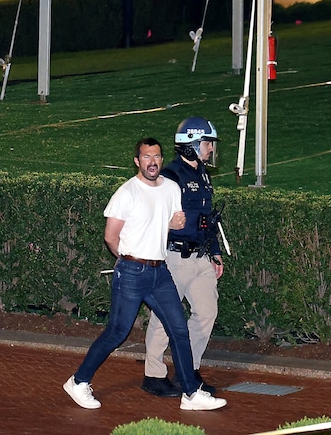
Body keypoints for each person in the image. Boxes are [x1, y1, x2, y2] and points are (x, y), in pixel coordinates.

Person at [62, 137, 226, 411]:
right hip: (133, 271)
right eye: (147, 157)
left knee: (178, 330)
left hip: (160, 272)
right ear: (138, 161)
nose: (152, 162)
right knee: (117, 332)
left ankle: (190, 393)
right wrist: (127, 260)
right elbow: (111, 237)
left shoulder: (172, 189)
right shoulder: (126, 193)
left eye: (157, 157)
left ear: (162, 160)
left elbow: (170, 223)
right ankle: (78, 382)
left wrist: (173, 225)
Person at [141, 116, 224, 398]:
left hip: (200, 257)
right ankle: (153, 375)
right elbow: (152, 215)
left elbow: (207, 218)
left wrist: (215, 252)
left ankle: (188, 369)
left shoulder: (202, 173)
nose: (211, 149)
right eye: (207, 143)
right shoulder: (170, 176)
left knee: (207, 312)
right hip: (174, 257)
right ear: (191, 145)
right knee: (165, 317)